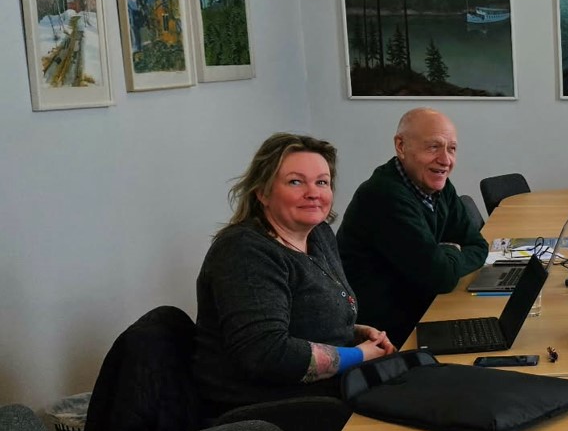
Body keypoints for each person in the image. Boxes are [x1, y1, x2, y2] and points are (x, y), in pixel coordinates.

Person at [193, 133, 396, 415]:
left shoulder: (319, 234)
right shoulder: (245, 253)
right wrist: (359, 355)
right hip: (267, 407)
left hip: (324, 389)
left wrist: (356, 332)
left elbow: (308, 316)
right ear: (263, 192)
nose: (313, 192)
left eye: (322, 182)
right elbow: (266, 354)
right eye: (295, 182)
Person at [338, 108, 488, 347]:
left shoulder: (439, 186)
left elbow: (479, 246)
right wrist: (452, 252)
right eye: (433, 147)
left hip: (423, 310)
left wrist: (444, 256)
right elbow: (441, 277)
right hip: (387, 337)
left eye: (452, 149)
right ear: (401, 146)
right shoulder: (384, 196)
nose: (445, 160)